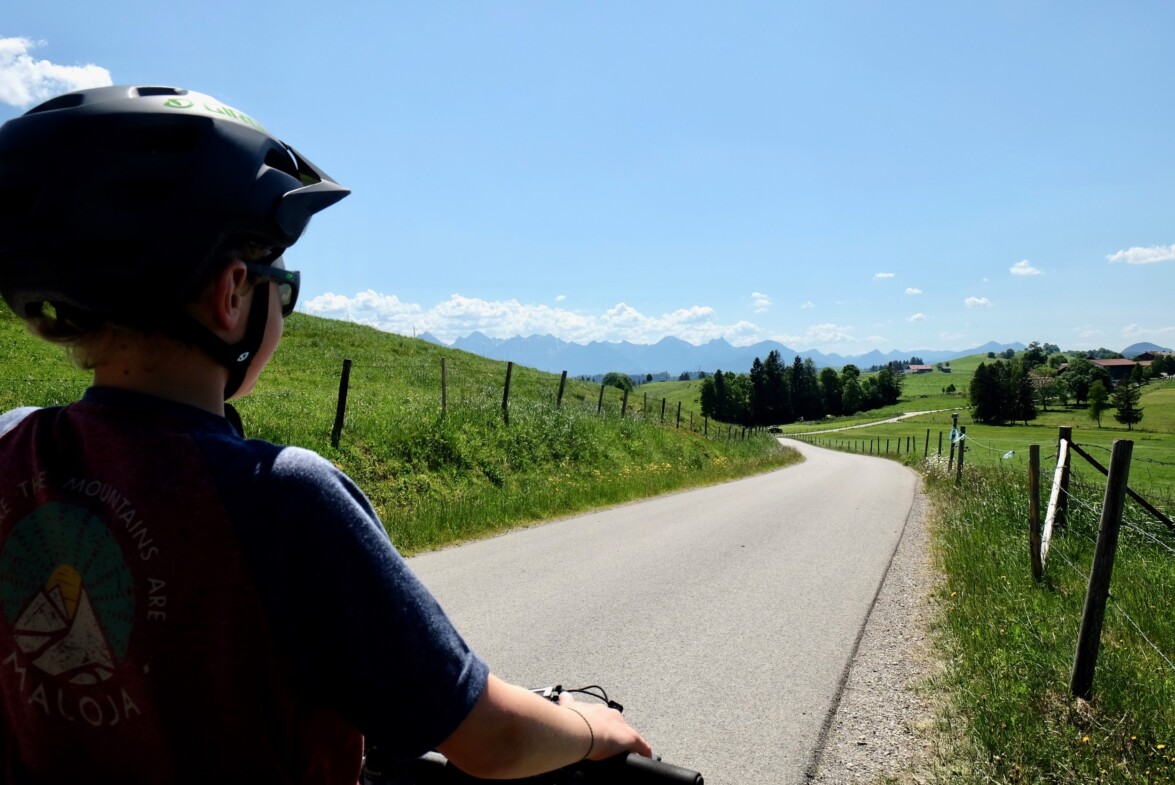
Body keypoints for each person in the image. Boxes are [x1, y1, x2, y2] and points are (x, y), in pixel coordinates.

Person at [0, 85, 650, 784]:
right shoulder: (282, 498)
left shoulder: (12, 447)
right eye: (282, 286)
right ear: (232, 294)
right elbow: (493, 739)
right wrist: (593, 728)